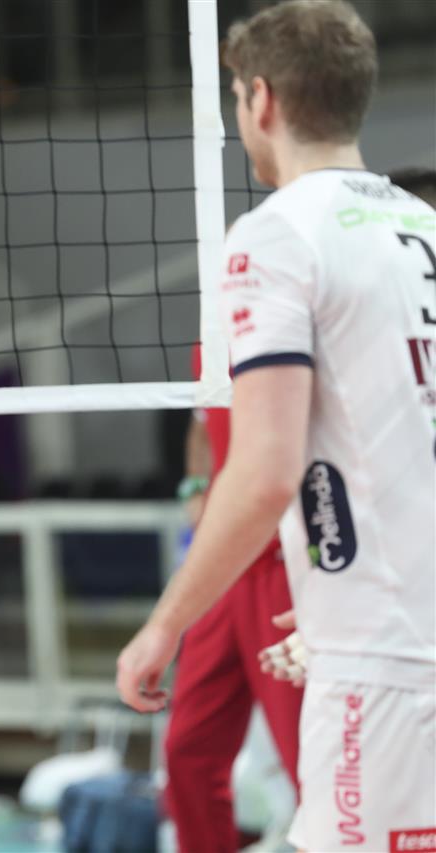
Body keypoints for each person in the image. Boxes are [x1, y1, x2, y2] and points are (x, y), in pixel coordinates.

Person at [116, 3, 436, 850]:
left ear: (261, 99)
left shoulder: (275, 235)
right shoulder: (423, 226)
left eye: (235, 96)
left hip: (385, 660)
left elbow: (263, 474)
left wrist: (164, 624)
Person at [162, 345, 301, 852]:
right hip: (222, 569)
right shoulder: (211, 336)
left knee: (309, 759)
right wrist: (196, 488)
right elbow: (203, 424)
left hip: (287, 566)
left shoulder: (293, 324)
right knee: (186, 751)